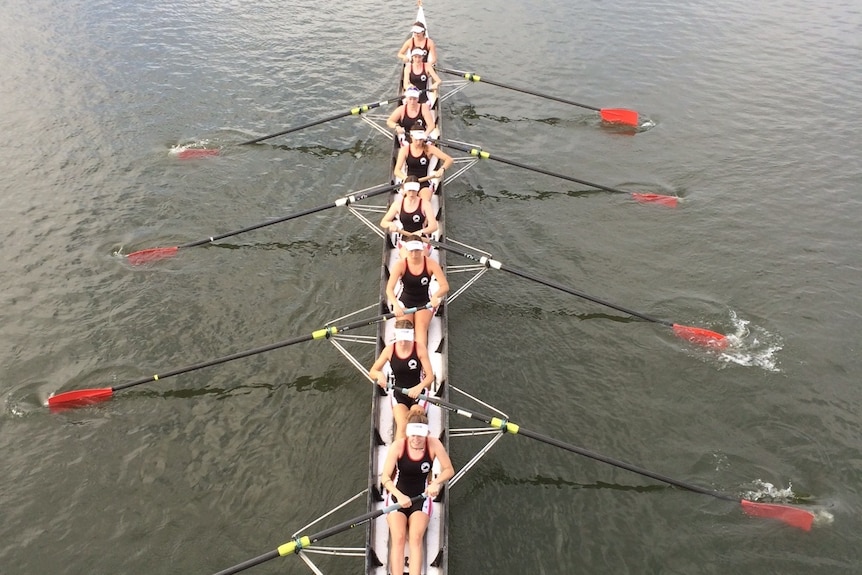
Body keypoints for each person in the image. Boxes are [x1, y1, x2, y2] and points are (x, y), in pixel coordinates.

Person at [380, 408, 454, 575]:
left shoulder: (434, 444)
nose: (415, 440)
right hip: (397, 497)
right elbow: (385, 478)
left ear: (426, 434)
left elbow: (449, 470)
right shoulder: (398, 446)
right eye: (412, 435)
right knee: (398, 539)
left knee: (415, 539)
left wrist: (435, 483)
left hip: (421, 497)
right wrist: (399, 496)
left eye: (420, 436)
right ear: (408, 433)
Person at [368, 318, 435, 440]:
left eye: (406, 338)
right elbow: (373, 371)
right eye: (400, 338)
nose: (403, 342)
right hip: (398, 393)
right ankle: (397, 457)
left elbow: (430, 376)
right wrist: (379, 375)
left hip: (419, 393)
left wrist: (419, 388)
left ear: (412, 335)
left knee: (414, 422)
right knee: (403, 426)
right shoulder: (389, 350)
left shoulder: (419, 348)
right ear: (395, 335)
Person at [385, 234, 449, 350]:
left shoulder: (430, 264)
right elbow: (389, 289)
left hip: (425, 303)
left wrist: (436, 296)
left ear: (422, 249)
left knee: (420, 329)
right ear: (406, 250)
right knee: (405, 330)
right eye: (411, 251)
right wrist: (396, 305)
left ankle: (421, 362)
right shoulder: (400, 265)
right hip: (404, 302)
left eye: (417, 251)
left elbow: (445, 286)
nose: (414, 254)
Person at [393, 130, 453, 202]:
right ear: (411, 137)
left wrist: (442, 169)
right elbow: (396, 171)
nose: (418, 142)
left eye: (421, 139)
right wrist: (406, 178)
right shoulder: (405, 150)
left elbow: (449, 159)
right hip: (409, 181)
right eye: (416, 140)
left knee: (425, 202)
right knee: (409, 203)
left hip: (424, 182)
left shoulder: (429, 148)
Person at [380, 175, 438, 241]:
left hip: (421, 237)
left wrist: (421, 232)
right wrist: (390, 224)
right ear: (405, 189)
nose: (411, 194)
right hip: (405, 236)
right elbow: (383, 222)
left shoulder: (425, 204)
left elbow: (434, 226)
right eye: (409, 190)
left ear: (418, 189)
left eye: (414, 190)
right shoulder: (397, 204)